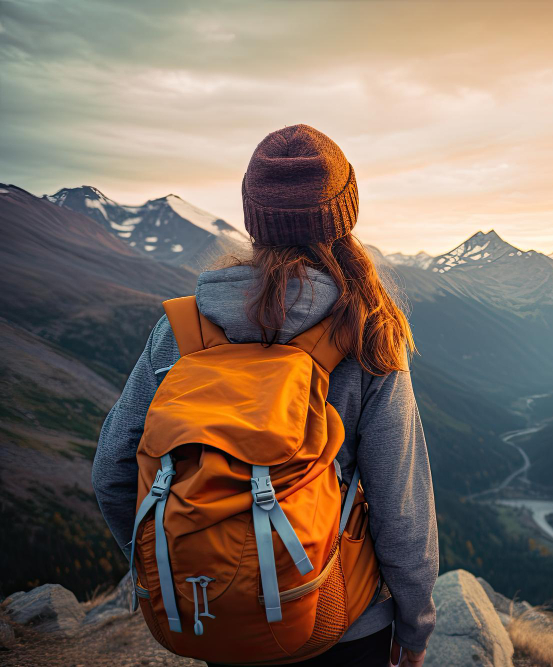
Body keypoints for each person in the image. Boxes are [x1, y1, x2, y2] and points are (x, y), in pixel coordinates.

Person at [92, 124, 437, 667]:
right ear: (344, 217)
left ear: (255, 219)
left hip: (219, 617)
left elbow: (113, 469)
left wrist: (176, 567)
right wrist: (415, 626)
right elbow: (401, 506)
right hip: (340, 618)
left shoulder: (183, 332)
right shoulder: (365, 331)